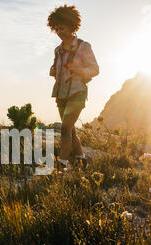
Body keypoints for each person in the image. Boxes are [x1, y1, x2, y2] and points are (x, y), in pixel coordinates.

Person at [48, 5, 99, 170]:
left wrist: (79, 70)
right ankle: (81, 159)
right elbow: (58, 72)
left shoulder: (84, 46)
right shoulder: (57, 51)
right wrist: (54, 71)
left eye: (62, 28)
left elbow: (95, 69)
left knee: (64, 129)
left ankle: (61, 164)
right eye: (56, 29)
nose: (59, 32)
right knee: (70, 130)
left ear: (71, 26)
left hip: (78, 93)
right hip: (60, 95)